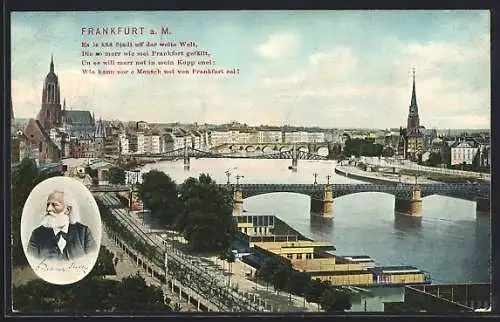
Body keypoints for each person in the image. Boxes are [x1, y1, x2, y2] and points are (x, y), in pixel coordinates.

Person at [27, 189, 97, 261]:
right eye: (48, 204)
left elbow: (92, 261)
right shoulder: (37, 234)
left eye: (54, 205)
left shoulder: (83, 233)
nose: (48, 209)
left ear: (67, 210)